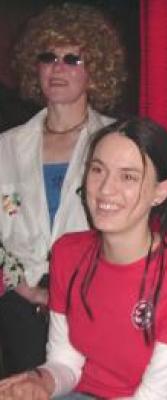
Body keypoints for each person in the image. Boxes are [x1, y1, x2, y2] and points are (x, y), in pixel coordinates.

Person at [0, 117, 167, 399]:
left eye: (128, 176)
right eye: (97, 170)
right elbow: (65, 361)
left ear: (160, 192)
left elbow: (156, 395)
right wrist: (41, 382)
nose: (106, 189)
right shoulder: (67, 253)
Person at [0, 2, 127, 376]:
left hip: (93, 299)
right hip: (19, 305)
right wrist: (25, 289)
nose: (58, 68)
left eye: (73, 59)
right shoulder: (6, 146)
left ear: (95, 70)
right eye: (49, 57)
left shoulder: (117, 141)